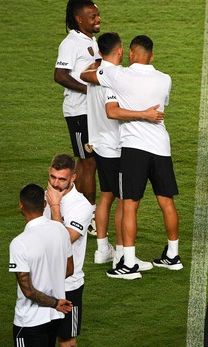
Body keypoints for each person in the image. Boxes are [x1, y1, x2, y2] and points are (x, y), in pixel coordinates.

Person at [85, 34, 181, 279]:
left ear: (129, 54)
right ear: (152, 56)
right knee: (166, 202)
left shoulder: (119, 75)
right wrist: (148, 113)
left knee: (129, 205)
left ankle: (128, 262)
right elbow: (159, 106)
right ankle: (173, 256)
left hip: (134, 148)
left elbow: (88, 77)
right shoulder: (165, 79)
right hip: (161, 147)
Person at [80, 32, 126, 265]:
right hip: (116, 146)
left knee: (106, 196)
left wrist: (97, 59)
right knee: (123, 199)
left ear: (99, 52)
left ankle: (101, 250)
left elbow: (82, 73)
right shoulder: (118, 76)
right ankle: (120, 252)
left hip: (98, 143)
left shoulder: (93, 74)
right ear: (120, 51)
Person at [10, 183, 74, 347]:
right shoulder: (61, 230)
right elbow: (69, 269)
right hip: (55, 317)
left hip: (30, 320)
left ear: (21, 206)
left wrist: (54, 302)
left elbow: (28, 291)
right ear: (45, 204)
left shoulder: (19, 243)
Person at [53, 0, 102, 209]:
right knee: (90, 162)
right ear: (79, 19)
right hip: (79, 112)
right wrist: (88, 90)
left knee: (86, 162)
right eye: (93, 17)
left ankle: (76, 208)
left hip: (91, 111)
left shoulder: (90, 40)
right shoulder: (71, 43)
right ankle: (89, 213)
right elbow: (60, 75)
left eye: (98, 15)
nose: (98, 19)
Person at [43, 154, 94, 346]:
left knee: (67, 340)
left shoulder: (82, 206)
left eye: (62, 179)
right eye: (52, 177)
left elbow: (64, 241)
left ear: (73, 178)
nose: (55, 184)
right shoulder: (41, 197)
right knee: (43, 335)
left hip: (68, 284)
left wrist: (55, 206)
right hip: (42, 280)